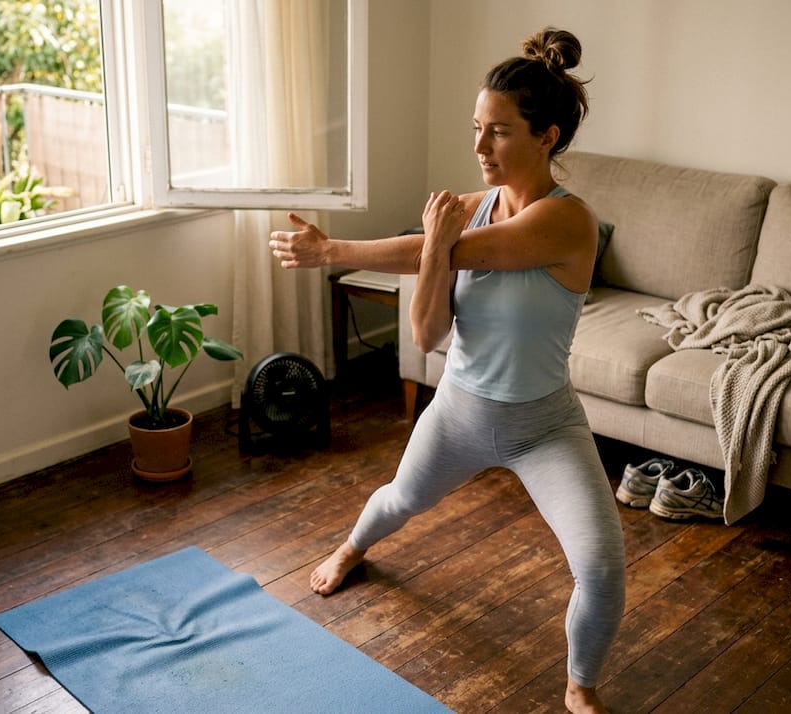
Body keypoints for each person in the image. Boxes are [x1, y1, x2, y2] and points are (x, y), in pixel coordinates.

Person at [268, 27, 624, 714]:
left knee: (602, 568)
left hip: (544, 427)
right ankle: (351, 548)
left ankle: (580, 684)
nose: (479, 146)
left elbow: (450, 252)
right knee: (399, 500)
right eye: (476, 128)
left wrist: (335, 249)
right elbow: (427, 332)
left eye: (499, 131)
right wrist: (432, 245)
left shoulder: (568, 223)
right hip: (460, 409)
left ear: (547, 137)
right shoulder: (462, 212)